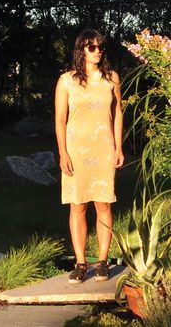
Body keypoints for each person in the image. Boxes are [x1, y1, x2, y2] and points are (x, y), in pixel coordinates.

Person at [54, 28, 124, 283]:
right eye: (91, 47)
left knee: (103, 203)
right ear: (81, 49)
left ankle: (103, 262)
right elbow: (60, 119)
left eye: (101, 47)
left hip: (103, 147)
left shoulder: (112, 78)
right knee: (78, 204)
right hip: (75, 150)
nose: (97, 51)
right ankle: (81, 263)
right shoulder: (67, 80)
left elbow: (117, 114)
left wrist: (118, 147)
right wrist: (62, 152)